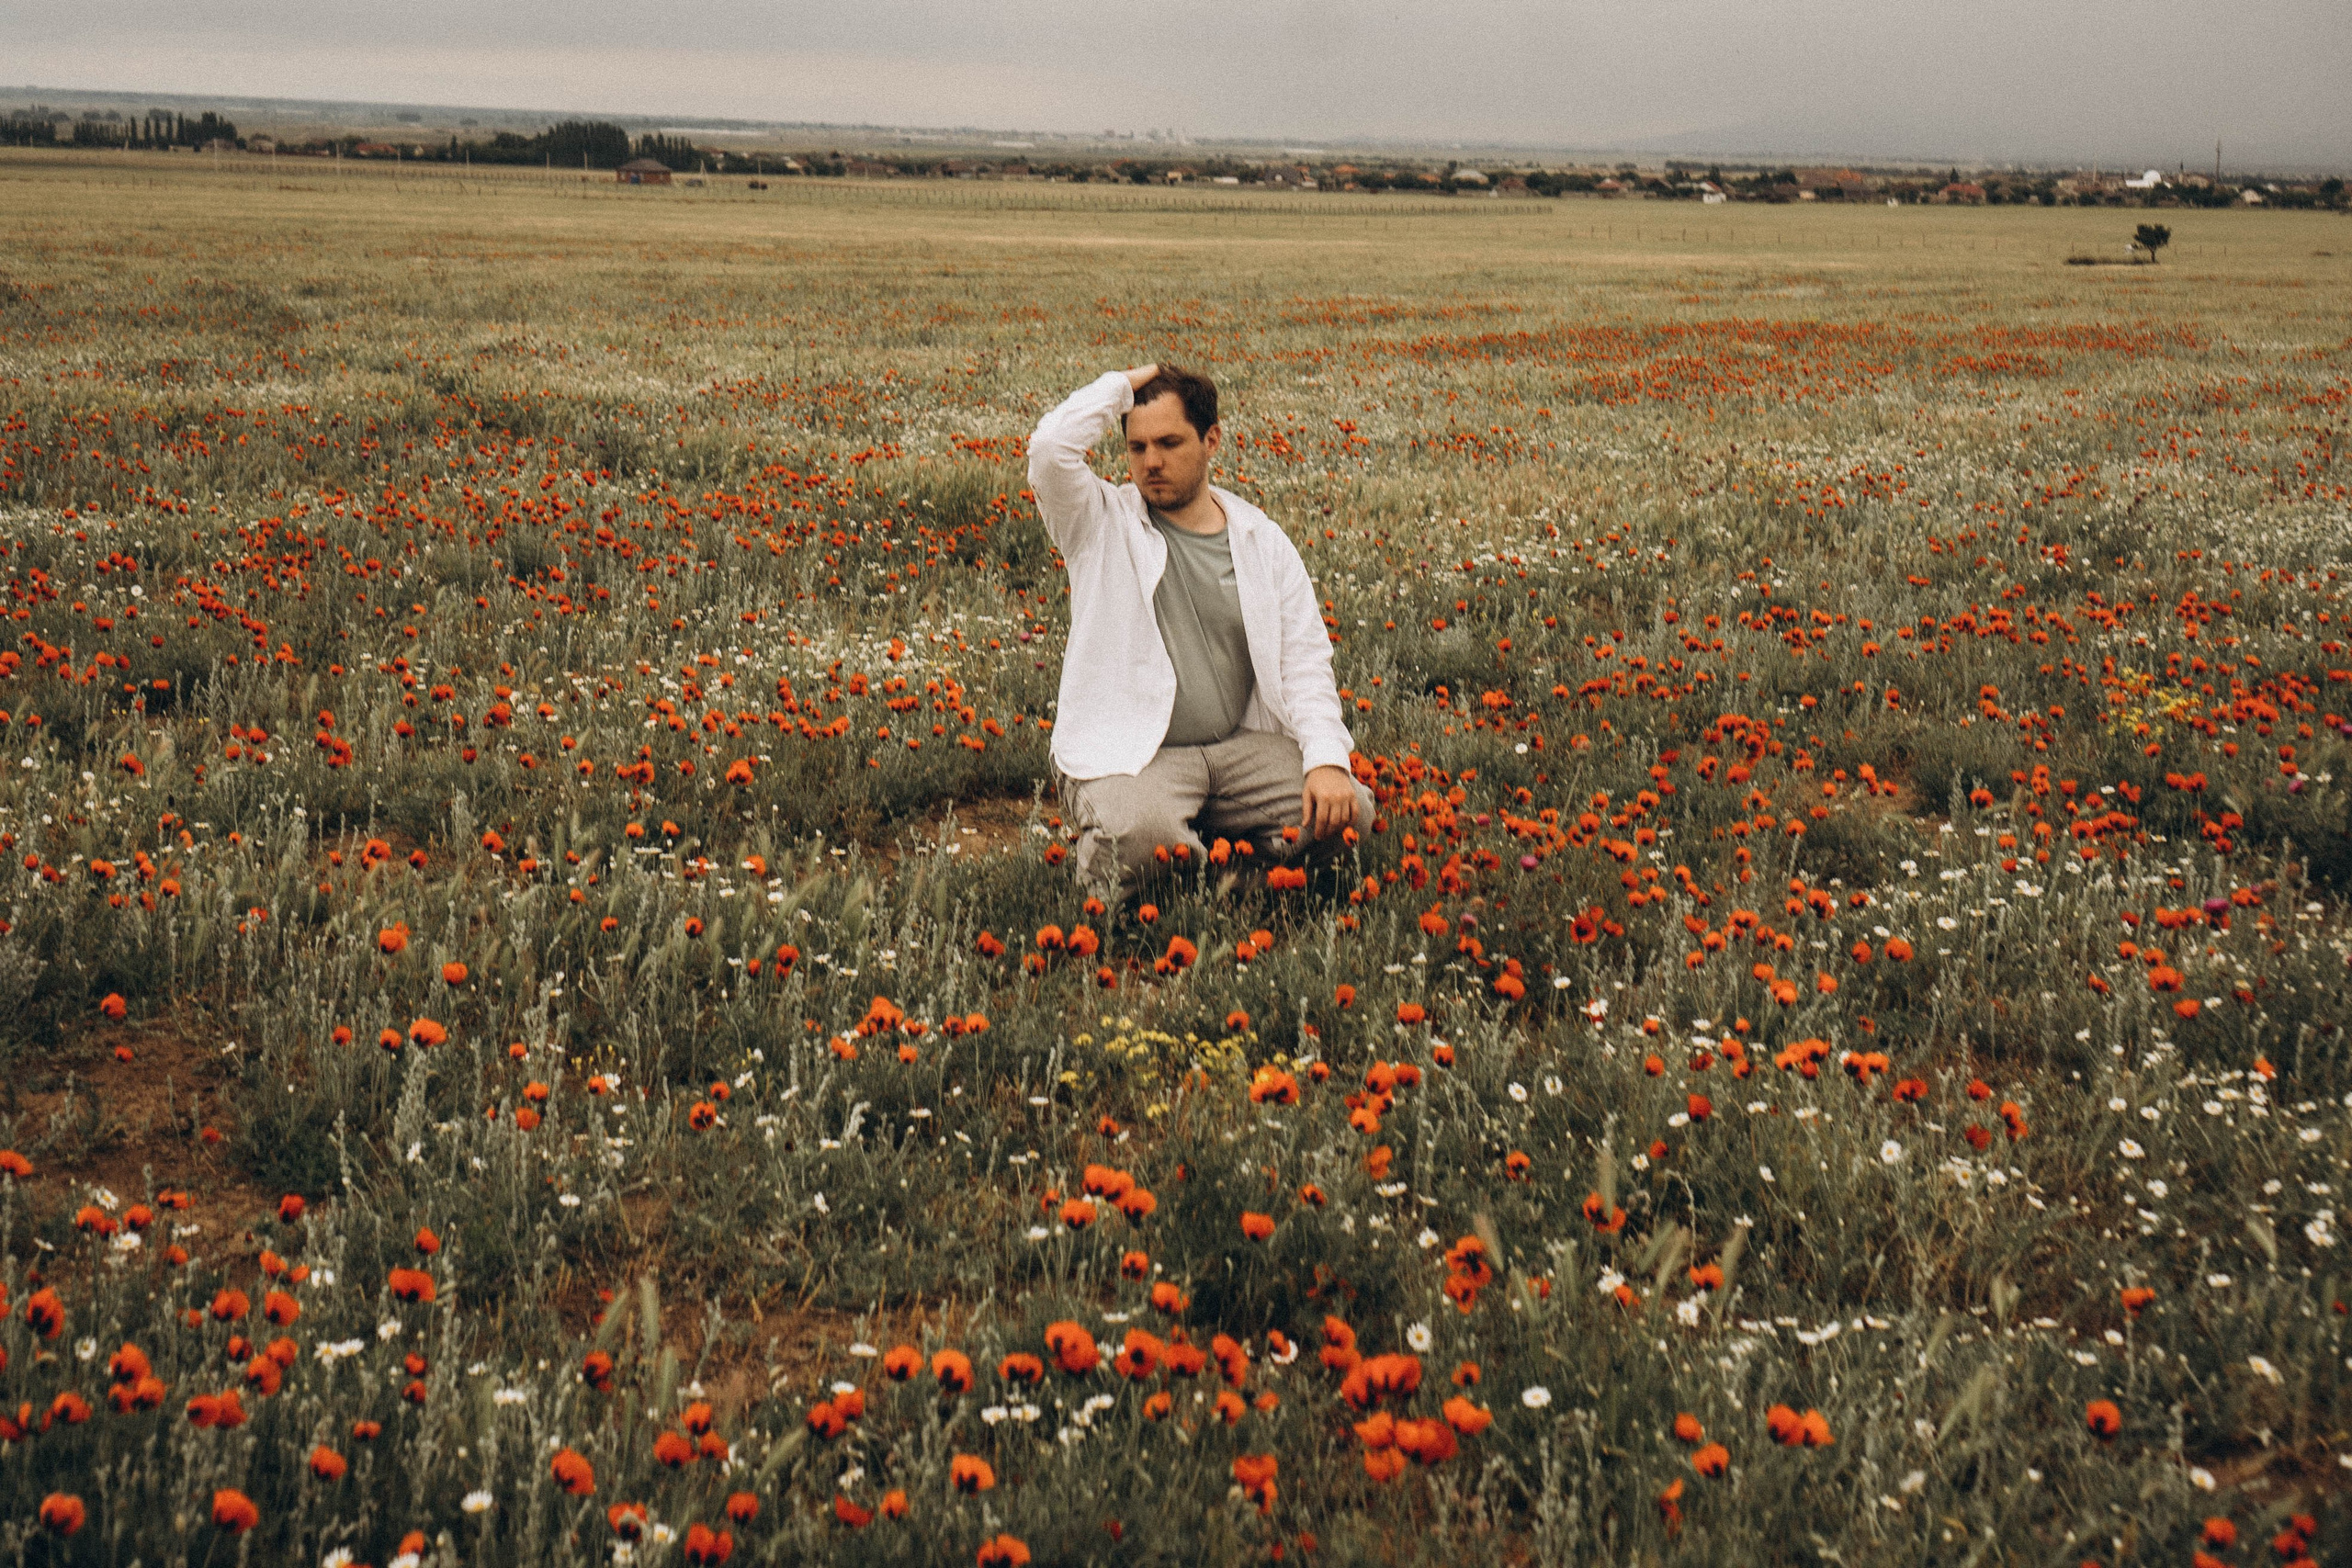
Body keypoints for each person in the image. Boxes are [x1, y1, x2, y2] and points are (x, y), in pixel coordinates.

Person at [1026, 361, 1374, 898]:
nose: (1152, 462)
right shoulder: (1097, 522)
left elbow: (1304, 660)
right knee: (1141, 838)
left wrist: (1326, 760)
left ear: (1211, 440)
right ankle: (1162, 868)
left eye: (1169, 442)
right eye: (1137, 448)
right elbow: (1050, 448)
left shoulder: (1261, 539)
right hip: (1133, 756)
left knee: (1349, 811)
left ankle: (1230, 880)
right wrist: (1123, 384)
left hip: (1236, 748)